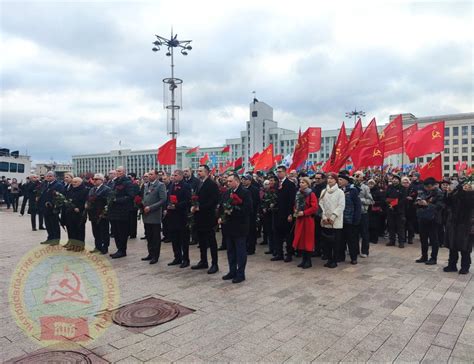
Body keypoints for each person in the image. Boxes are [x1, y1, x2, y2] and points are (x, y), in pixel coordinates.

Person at [219, 174, 252, 284]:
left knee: (240, 251)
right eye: (227, 181)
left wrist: (234, 211)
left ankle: (240, 273)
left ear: (237, 181)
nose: (227, 183)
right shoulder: (227, 193)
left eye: (230, 181)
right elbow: (222, 206)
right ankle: (232, 271)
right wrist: (220, 217)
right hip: (228, 227)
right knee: (230, 251)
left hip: (240, 227)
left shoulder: (245, 192)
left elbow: (248, 209)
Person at [191, 165, 220, 274]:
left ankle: (214, 264)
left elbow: (214, 200)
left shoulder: (212, 184)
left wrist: (200, 207)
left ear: (206, 172)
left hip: (208, 217)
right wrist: (194, 206)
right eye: (197, 171)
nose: (198, 173)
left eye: (200, 171)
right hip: (199, 217)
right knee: (201, 241)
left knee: (211, 241)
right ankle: (203, 261)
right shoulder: (199, 183)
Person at [443, 181, 473, 274]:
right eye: (465, 186)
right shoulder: (457, 194)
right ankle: (452, 265)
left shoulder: (471, 196)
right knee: (452, 246)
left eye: (469, 186)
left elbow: (468, 202)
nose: (466, 187)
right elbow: (448, 203)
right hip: (453, 223)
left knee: (465, 248)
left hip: (466, 225)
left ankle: (465, 267)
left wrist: (465, 192)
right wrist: (449, 193)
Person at [415, 177, 445, 265]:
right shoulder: (423, 191)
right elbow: (416, 201)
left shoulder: (439, 193)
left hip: (433, 219)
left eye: (429, 186)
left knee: (433, 239)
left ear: (434, 185)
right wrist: (418, 203)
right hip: (422, 217)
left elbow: (440, 206)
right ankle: (424, 256)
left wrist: (427, 204)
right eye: (426, 186)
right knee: (423, 238)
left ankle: (433, 258)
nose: (427, 188)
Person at [108, 166, 135, 259]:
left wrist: (117, 200)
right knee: (115, 231)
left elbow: (130, 196)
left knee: (122, 232)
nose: (117, 172)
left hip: (123, 211)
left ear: (124, 172)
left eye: (119, 171)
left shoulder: (127, 182)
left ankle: (122, 250)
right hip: (114, 211)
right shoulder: (115, 182)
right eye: (116, 171)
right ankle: (118, 249)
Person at [319, 172, 345, 268]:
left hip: (335, 221)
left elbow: (341, 206)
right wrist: (325, 217)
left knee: (335, 242)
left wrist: (333, 217)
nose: (329, 180)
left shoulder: (340, 192)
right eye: (328, 178)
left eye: (332, 178)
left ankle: (334, 260)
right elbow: (321, 204)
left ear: (336, 180)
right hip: (325, 220)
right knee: (327, 241)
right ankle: (329, 258)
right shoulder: (324, 191)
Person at [141, 169, 167, 264]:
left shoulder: (160, 185)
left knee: (155, 237)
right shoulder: (146, 185)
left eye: (151, 174)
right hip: (146, 214)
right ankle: (150, 253)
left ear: (156, 175)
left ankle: (155, 256)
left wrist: (151, 207)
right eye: (148, 174)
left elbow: (163, 199)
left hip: (154, 214)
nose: (149, 176)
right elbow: (144, 197)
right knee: (149, 236)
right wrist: (143, 204)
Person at [166, 170, 192, 268]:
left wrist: (176, 206)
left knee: (183, 240)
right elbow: (168, 198)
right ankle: (177, 257)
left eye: (175, 175)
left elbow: (188, 201)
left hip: (182, 216)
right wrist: (168, 206)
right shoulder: (172, 185)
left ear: (181, 176)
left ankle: (186, 259)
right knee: (174, 238)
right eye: (173, 175)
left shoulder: (186, 186)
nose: (173, 177)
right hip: (172, 216)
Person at [291, 177, 318, 269]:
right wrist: (295, 211)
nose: (301, 184)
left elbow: (314, 207)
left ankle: (308, 260)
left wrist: (305, 212)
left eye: (303, 182)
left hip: (308, 220)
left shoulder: (311, 194)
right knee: (301, 239)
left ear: (307, 184)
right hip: (300, 219)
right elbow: (295, 204)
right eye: (300, 182)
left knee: (308, 240)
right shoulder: (298, 193)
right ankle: (303, 259)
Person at [272, 165, 297, 262]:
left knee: (288, 235)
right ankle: (279, 253)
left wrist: (290, 213)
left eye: (280, 171)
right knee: (277, 234)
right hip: (277, 213)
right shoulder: (276, 184)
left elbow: (292, 200)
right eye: (277, 171)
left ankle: (289, 254)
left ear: (285, 172)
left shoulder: (290, 184)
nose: (278, 173)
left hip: (286, 213)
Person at [338, 173, 361, 264]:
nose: (339, 181)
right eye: (338, 179)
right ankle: (340, 256)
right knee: (341, 239)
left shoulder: (353, 190)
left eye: (340, 180)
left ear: (346, 181)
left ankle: (353, 257)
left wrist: (356, 219)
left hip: (350, 220)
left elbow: (357, 206)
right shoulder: (338, 190)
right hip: (340, 219)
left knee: (352, 240)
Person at [86, 173, 111, 254]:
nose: (94, 181)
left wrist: (105, 212)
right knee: (96, 231)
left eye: (96, 179)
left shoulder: (106, 189)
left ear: (102, 180)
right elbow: (89, 199)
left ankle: (105, 247)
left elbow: (108, 201)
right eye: (94, 179)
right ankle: (98, 246)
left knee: (104, 231)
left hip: (102, 213)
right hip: (93, 214)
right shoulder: (92, 189)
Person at [38, 171, 65, 244]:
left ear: (54, 177)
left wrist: (52, 204)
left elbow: (60, 197)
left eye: (50, 176)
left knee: (54, 224)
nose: (48, 177)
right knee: (48, 224)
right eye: (47, 176)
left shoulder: (58, 185)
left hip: (53, 208)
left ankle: (56, 239)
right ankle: (50, 238)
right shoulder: (45, 184)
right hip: (45, 208)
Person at [62, 177, 88, 250]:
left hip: (79, 213)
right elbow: (66, 200)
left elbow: (85, 201)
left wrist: (80, 208)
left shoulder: (84, 190)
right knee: (71, 229)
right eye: (73, 182)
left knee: (79, 230)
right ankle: (73, 244)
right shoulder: (70, 190)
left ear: (80, 183)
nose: (73, 183)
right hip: (70, 213)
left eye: (76, 182)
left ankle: (80, 246)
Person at [353, 171, 374, 258]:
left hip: (363, 213)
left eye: (358, 175)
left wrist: (360, 200)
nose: (356, 177)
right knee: (354, 233)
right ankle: (355, 250)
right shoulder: (352, 186)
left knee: (364, 233)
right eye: (355, 175)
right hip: (354, 213)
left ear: (362, 177)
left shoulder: (365, 187)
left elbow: (371, 201)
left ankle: (365, 251)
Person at [385, 174, 407, 248]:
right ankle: (392, 240)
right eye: (393, 179)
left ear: (399, 180)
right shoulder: (389, 187)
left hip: (399, 210)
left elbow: (403, 199)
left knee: (400, 227)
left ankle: (401, 242)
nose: (394, 180)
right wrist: (389, 204)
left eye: (396, 179)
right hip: (390, 209)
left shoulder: (403, 188)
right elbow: (386, 197)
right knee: (391, 226)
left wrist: (394, 204)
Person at [242, 174, 260, 255]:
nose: (243, 181)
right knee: (245, 231)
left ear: (249, 180)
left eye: (245, 179)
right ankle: (245, 247)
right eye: (243, 179)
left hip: (252, 214)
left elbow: (256, 202)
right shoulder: (242, 189)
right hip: (244, 214)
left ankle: (251, 248)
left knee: (251, 231)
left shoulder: (254, 189)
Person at [312, 172, 327, 257]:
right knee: (316, 233)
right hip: (315, 213)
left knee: (323, 234)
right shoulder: (314, 187)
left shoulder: (325, 188)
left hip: (322, 213)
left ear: (323, 179)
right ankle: (317, 250)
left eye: (319, 178)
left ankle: (324, 251)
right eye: (316, 178)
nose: (317, 180)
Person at [367, 178, 385, 245]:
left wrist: (375, 202)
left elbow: (382, 201)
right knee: (369, 225)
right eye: (369, 183)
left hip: (375, 210)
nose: (370, 185)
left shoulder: (378, 191)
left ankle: (374, 239)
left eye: (372, 184)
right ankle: (369, 238)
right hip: (368, 210)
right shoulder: (367, 191)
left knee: (375, 225)